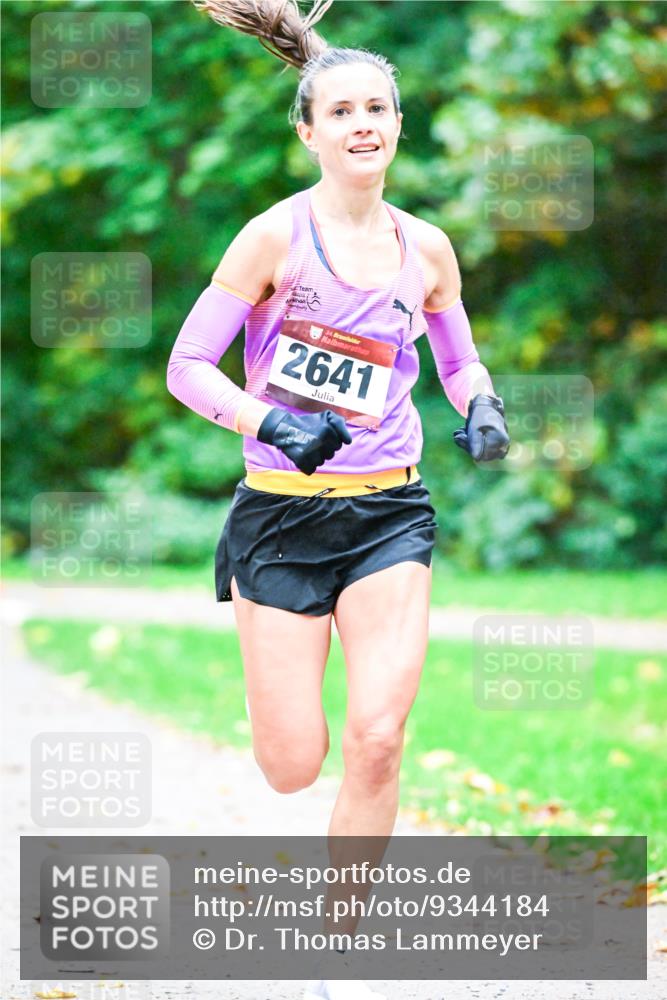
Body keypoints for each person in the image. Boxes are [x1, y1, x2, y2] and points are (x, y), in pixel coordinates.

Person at [168, 2, 510, 997]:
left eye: (380, 109)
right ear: (309, 131)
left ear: (398, 126)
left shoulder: (427, 248)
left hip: (388, 514)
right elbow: (189, 366)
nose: (364, 123)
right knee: (291, 762)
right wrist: (265, 422)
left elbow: (458, 356)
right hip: (279, 515)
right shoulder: (272, 239)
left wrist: (480, 403)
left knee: (377, 736)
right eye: (343, 110)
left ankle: (340, 943)